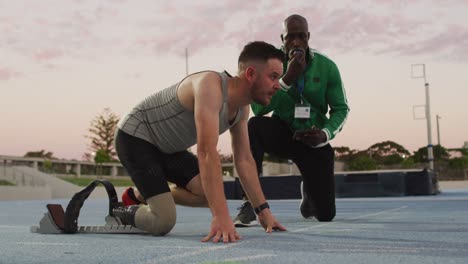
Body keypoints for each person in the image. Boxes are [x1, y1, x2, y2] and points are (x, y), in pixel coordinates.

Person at [113, 41, 287, 243]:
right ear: (250, 74)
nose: (278, 85)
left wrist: (263, 212)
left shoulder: (241, 108)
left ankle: (139, 196)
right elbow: (206, 152)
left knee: (211, 193)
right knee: (163, 221)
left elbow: (245, 160)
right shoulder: (210, 86)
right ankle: (118, 210)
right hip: (137, 137)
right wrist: (221, 217)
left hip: (170, 149)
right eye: (273, 77)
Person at [233, 14, 350, 227]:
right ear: (282, 38)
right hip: (284, 132)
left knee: (325, 215)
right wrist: (286, 79)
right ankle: (249, 202)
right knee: (254, 127)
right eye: (290, 37)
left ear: (308, 37)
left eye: (301, 36)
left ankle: (309, 195)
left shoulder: (327, 67)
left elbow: (341, 109)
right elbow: (258, 109)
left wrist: (324, 135)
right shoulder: (271, 64)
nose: (296, 42)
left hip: (313, 138)